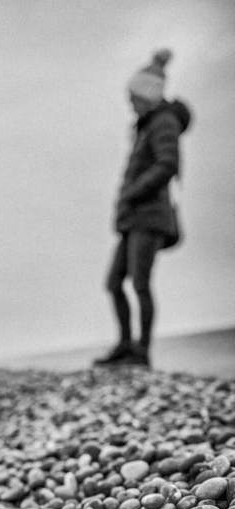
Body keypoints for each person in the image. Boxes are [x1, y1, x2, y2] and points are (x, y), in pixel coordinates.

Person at [95, 49, 192, 368]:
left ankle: (141, 351)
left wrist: (133, 193)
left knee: (139, 283)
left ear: (146, 95)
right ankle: (125, 345)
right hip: (134, 217)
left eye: (132, 96)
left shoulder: (163, 122)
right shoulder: (147, 125)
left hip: (149, 216)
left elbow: (168, 164)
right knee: (114, 282)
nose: (129, 103)